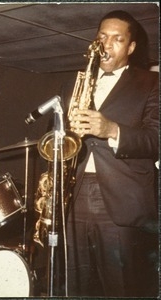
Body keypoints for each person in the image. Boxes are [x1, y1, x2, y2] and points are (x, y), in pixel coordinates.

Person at [64, 10, 159, 297]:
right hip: (74, 191)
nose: (106, 44)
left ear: (131, 48)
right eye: (102, 37)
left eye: (117, 39)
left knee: (121, 286)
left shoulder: (152, 83)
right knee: (74, 282)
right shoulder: (75, 82)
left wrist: (112, 130)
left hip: (122, 197)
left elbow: (156, 138)